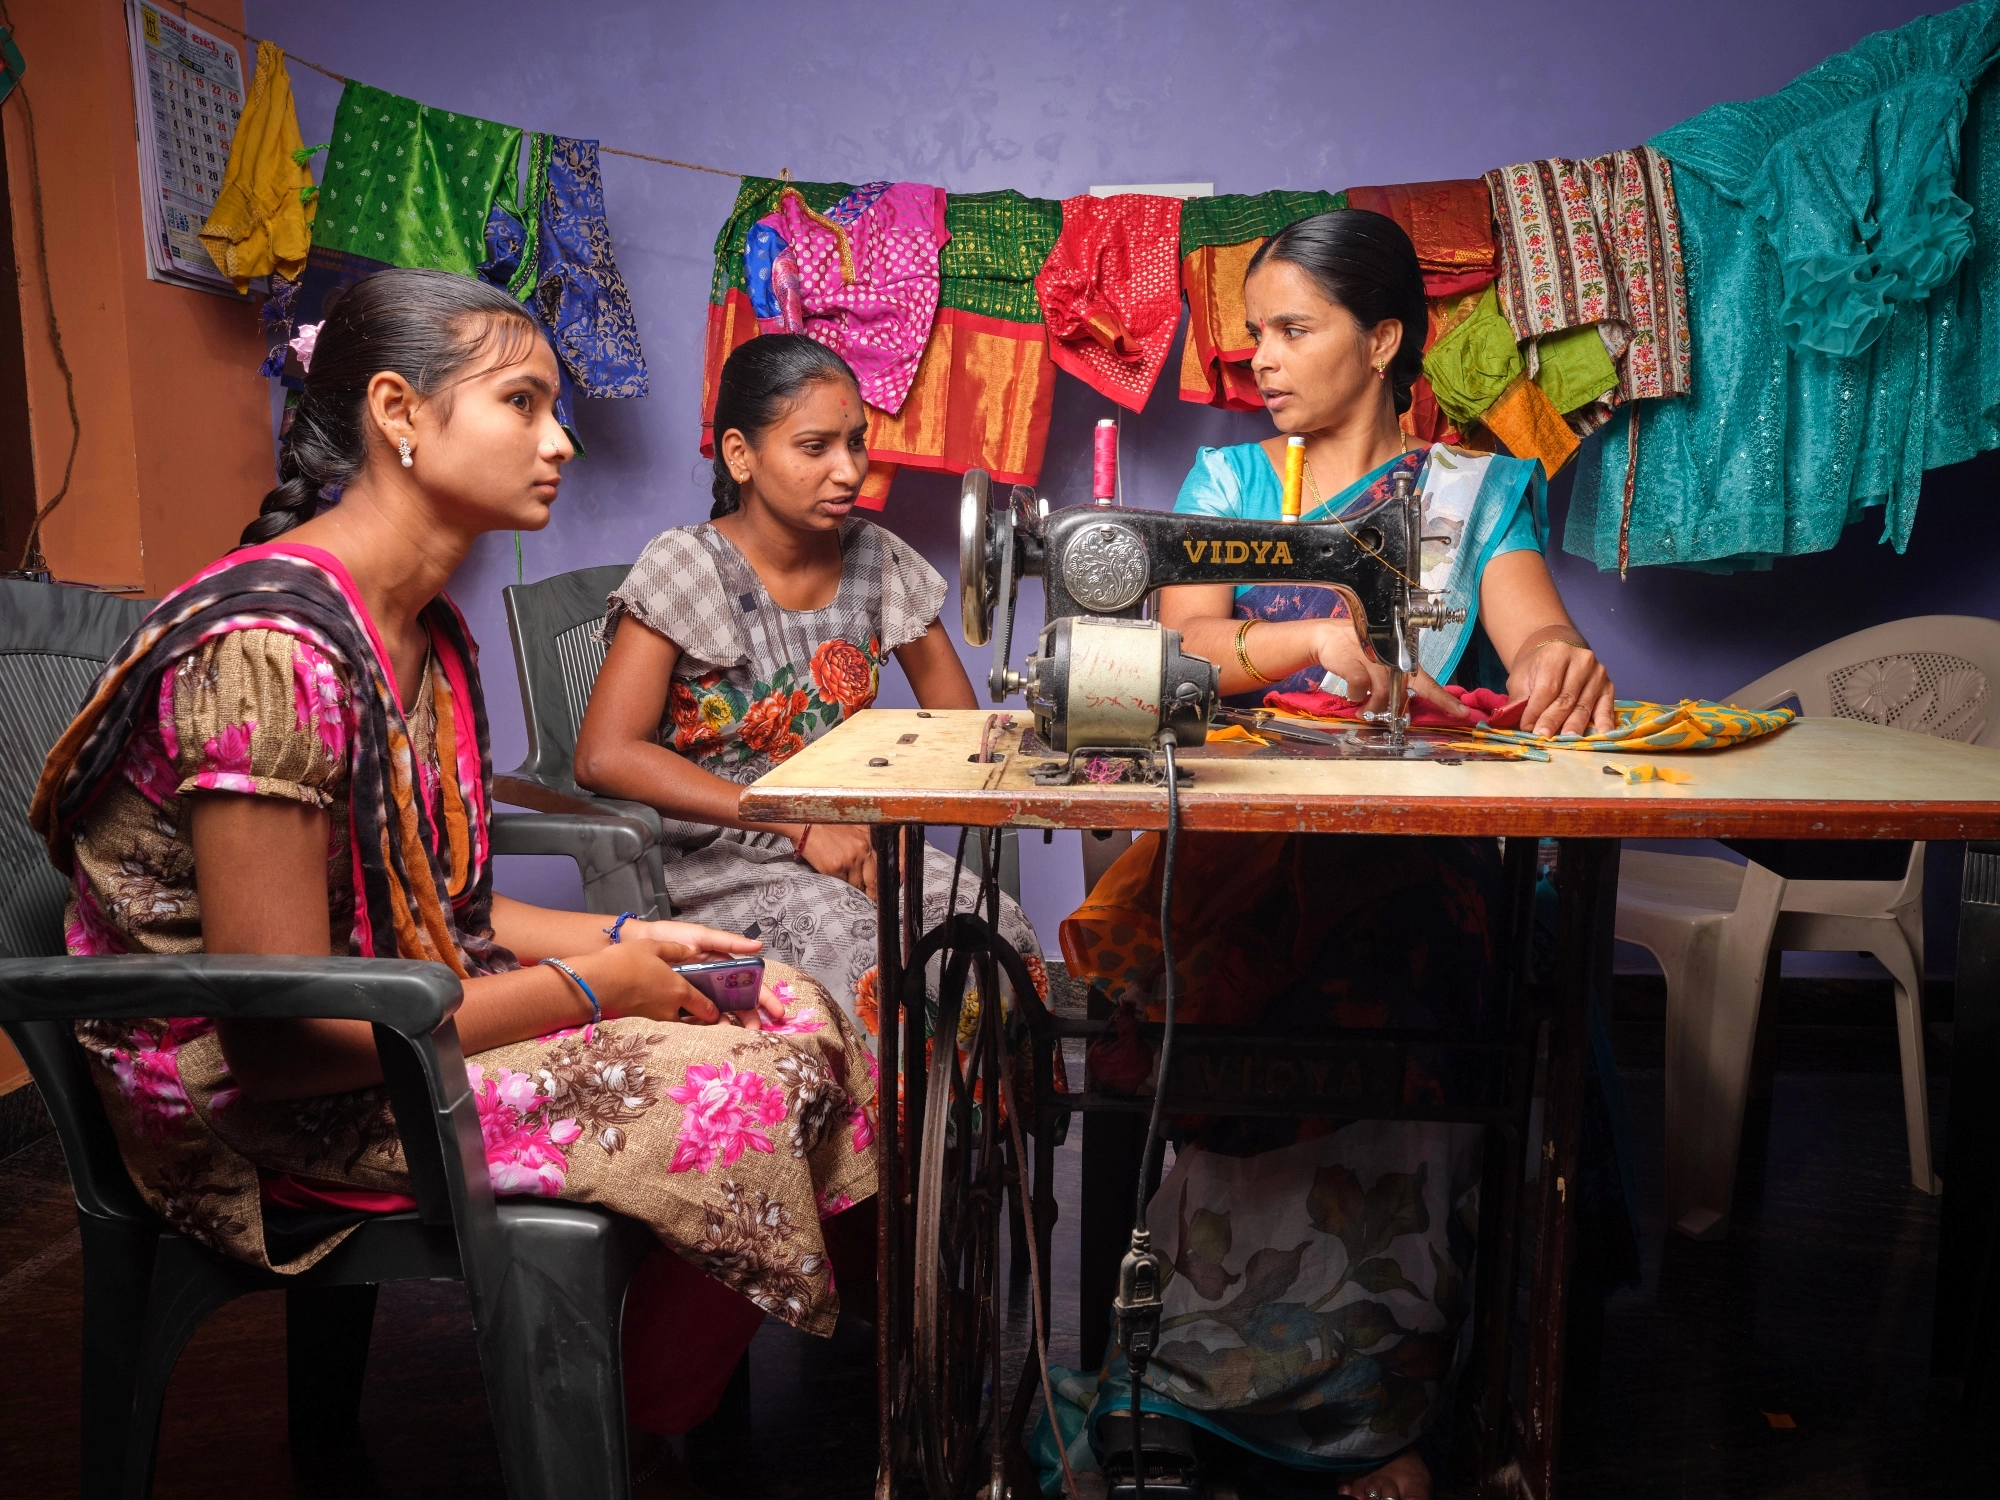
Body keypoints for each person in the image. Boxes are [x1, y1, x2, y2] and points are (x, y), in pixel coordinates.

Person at [32, 270, 877, 1472]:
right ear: (400, 412)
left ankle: (641, 1405)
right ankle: (610, 1424)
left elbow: (448, 911)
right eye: (523, 404)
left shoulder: (423, 628)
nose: (561, 440)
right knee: (737, 1089)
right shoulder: (271, 653)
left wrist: (630, 947)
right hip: (242, 1096)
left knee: (791, 1003)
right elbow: (280, 1036)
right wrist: (602, 988)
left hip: (388, 1014)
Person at [1056, 211, 1617, 1500]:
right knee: (1227, 935)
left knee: (1411, 944)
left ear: (1380, 340)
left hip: (1417, 858)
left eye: (1292, 329)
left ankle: (1381, 1409)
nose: (1260, 356)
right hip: (1247, 837)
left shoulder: (1475, 493)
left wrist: (1549, 662)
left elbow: (1531, 629)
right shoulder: (1225, 488)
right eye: (1253, 331)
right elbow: (1182, 654)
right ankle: (1182, 1375)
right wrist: (1305, 646)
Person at [574, 334, 1045, 1055]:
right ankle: (875, 1168)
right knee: (864, 960)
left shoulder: (877, 561)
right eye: (815, 447)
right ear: (741, 455)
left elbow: (961, 728)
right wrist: (793, 824)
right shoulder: (686, 565)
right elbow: (605, 755)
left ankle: (961, 1162)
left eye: (856, 443)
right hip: (716, 856)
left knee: (998, 934)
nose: (848, 469)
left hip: (852, 842)